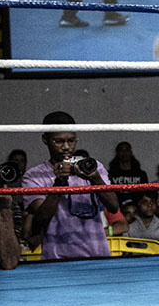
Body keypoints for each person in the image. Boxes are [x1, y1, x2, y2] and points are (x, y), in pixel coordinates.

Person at [22, 111, 120, 260]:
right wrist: (60, 182)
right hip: (57, 259)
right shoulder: (34, 176)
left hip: (98, 255)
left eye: (71, 140)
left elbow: (113, 206)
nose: (66, 147)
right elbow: (41, 218)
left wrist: (95, 178)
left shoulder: (93, 167)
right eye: (59, 141)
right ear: (45, 139)